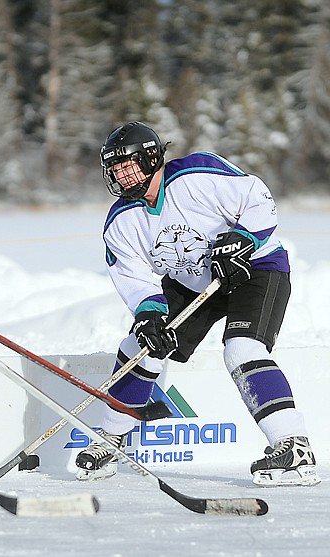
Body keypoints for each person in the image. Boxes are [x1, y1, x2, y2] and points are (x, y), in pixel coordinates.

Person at [75, 121, 320, 487]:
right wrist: (149, 314)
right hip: (192, 282)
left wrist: (242, 239)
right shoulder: (121, 222)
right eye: (115, 169)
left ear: (152, 158)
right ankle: (110, 438)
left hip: (255, 268)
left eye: (128, 166)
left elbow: (258, 199)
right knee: (142, 345)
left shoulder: (196, 176)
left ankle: (294, 448)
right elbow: (135, 278)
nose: (122, 176)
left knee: (241, 348)